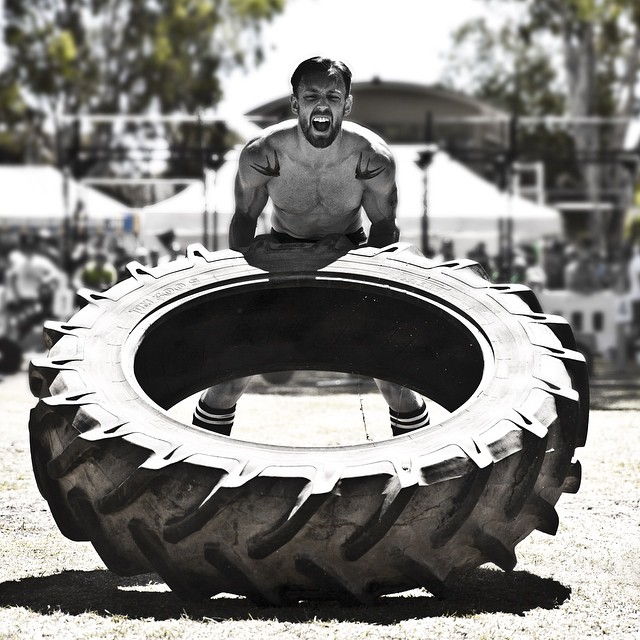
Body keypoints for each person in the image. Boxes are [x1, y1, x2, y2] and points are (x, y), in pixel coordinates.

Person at [193, 56, 430, 438]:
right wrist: (241, 287)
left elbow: (385, 226)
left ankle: (423, 466)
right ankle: (197, 466)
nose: (322, 105)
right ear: (296, 104)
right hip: (280, 253)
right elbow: (243, 219)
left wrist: (362, 264)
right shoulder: (263, 153)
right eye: (312, 96)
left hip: (348, 252)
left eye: (333, 97)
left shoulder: (371, 157)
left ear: (346, 105)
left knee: (393, 374)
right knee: (233, 369)